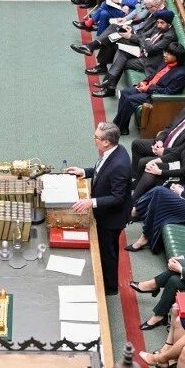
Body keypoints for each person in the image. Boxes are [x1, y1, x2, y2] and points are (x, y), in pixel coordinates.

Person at [64, 122, 131, 295]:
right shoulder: (115, 151)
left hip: (111, 218)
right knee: (108, 249)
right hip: (106, 213)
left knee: (107, 251)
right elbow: (102, 170)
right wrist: (84, 172)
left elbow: (118, 197)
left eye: (96, 137)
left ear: (106, 142)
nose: (94, 140)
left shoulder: (120, 165)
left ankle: (109, 287)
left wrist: (91, 202)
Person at [112, 42, 185, 136]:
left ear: (177, 57)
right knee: (125, 93)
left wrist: (148, 89)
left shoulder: (181, 74)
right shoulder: (166, 62)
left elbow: (169, 92)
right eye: (166, 52)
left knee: (129, 100)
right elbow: (154, 74)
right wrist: (145, 82)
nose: (165, 55)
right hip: (148, 87)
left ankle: (117, 125)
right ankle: (123, 127)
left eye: (168, 54)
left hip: (155, 95)